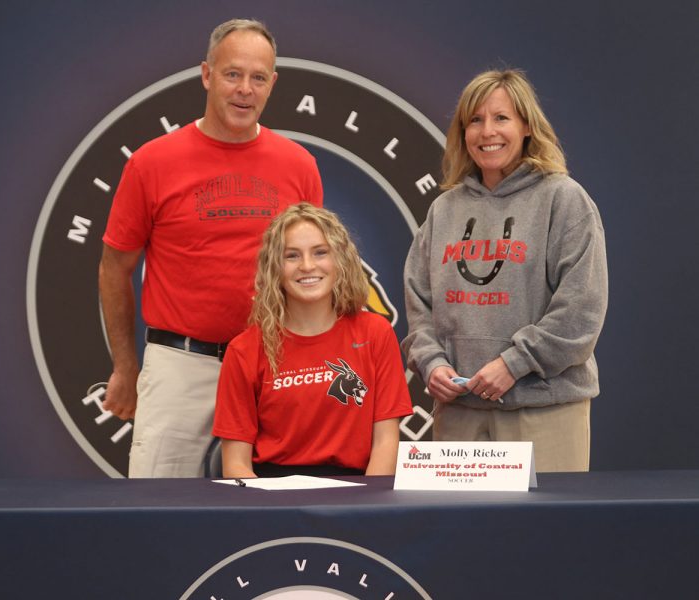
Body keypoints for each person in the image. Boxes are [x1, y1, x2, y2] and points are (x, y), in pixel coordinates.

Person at [99, 19, 323, 478]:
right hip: (180, 366)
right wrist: (125, 368)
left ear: (272, 84)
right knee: (158, 512)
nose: (245, 90)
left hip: (271, 365)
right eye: (232, 74)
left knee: (270, 517)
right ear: (206, 75)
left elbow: (312, 277)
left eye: (258, 77)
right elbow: (114, 267)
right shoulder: (151, 163)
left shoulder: (299, 166)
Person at [401, 69, 608, 472]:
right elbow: (418, 300)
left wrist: (513, 364)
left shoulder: (564, 200)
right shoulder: (444, 209)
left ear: (527, 125)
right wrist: (431, 362)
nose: (486, 132)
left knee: (541, 535)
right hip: (459, 411)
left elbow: (581, 310)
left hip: (542, 409)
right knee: (459, 534)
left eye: (501, 118)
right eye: (474, 120)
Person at [213, 203, 412, 477]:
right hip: (273, 496)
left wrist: (366, 511)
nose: (307, 266)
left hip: (356, 494)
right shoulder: (244, 350)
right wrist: (272, 513)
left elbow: (386, 442)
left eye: (320, 253)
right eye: (292, 256)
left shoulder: (374, 333)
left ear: (339, 260)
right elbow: (236, 464)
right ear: (274, 268)